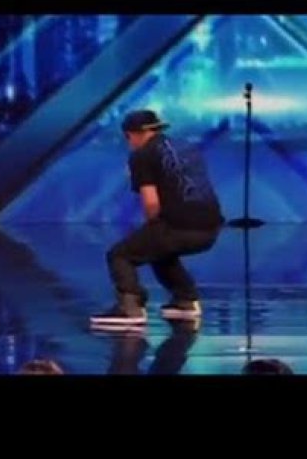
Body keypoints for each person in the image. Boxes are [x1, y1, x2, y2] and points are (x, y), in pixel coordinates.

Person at [91, 110, 223, 329]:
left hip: (179, 226)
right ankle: (185, 300)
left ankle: (130, 308)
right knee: (158, 250)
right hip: (211, 227)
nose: (129, 143)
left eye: (128, 137)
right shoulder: (188, 148)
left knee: (120, 255)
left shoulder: (142, 155)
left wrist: (153, 226)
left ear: (135, 134)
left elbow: (151, 203)